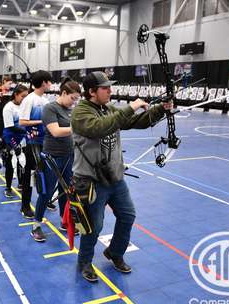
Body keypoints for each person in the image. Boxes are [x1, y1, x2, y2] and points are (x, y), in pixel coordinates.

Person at [70, 71, 173, 282]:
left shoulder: (107, 109)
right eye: (105, 88)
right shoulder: (80, 112)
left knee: (127, 216)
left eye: (110, 87)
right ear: (91, 92)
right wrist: (130, 107)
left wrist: (160, 110)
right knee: (93, 226)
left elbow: (135, 121)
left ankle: (115, 253)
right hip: (92, 181)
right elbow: (99, 128)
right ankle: (84, 261)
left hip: (116, 178)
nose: (110, 91)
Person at [31, 76, 81, 242]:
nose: (74, 102)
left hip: (70, 156)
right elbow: (56, 131)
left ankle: (64, 221)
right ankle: (36, 225)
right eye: (72, 98)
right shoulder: (50, 108)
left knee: (66, 192)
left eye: (77, 99)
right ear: (64, 93)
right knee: (45, 193)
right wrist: (77, 128)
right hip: (52, 158)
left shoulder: (72, 110)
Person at [18, 70, 52, 219]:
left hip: (45, 143)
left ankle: (45, 200)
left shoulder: (45, 101)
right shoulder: (29, 99)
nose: (50, 84)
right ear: (44, 83)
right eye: (49, 81)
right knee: (29, 176)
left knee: (44, 174)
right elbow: (22, 122)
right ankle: (25, 206)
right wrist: (41, 122)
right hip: (31, 143)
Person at [2, 85, 29, 198]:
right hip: (10, 139)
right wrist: (26, 132)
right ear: (15, 94)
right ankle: (8, 187)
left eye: (26, 96)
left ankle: (21, 183)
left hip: (23, 139)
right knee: (10, 164)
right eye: (22, 96)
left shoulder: (25, 106)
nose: (24, 99)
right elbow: (10, 126)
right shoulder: (9, 107)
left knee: (22, 163)